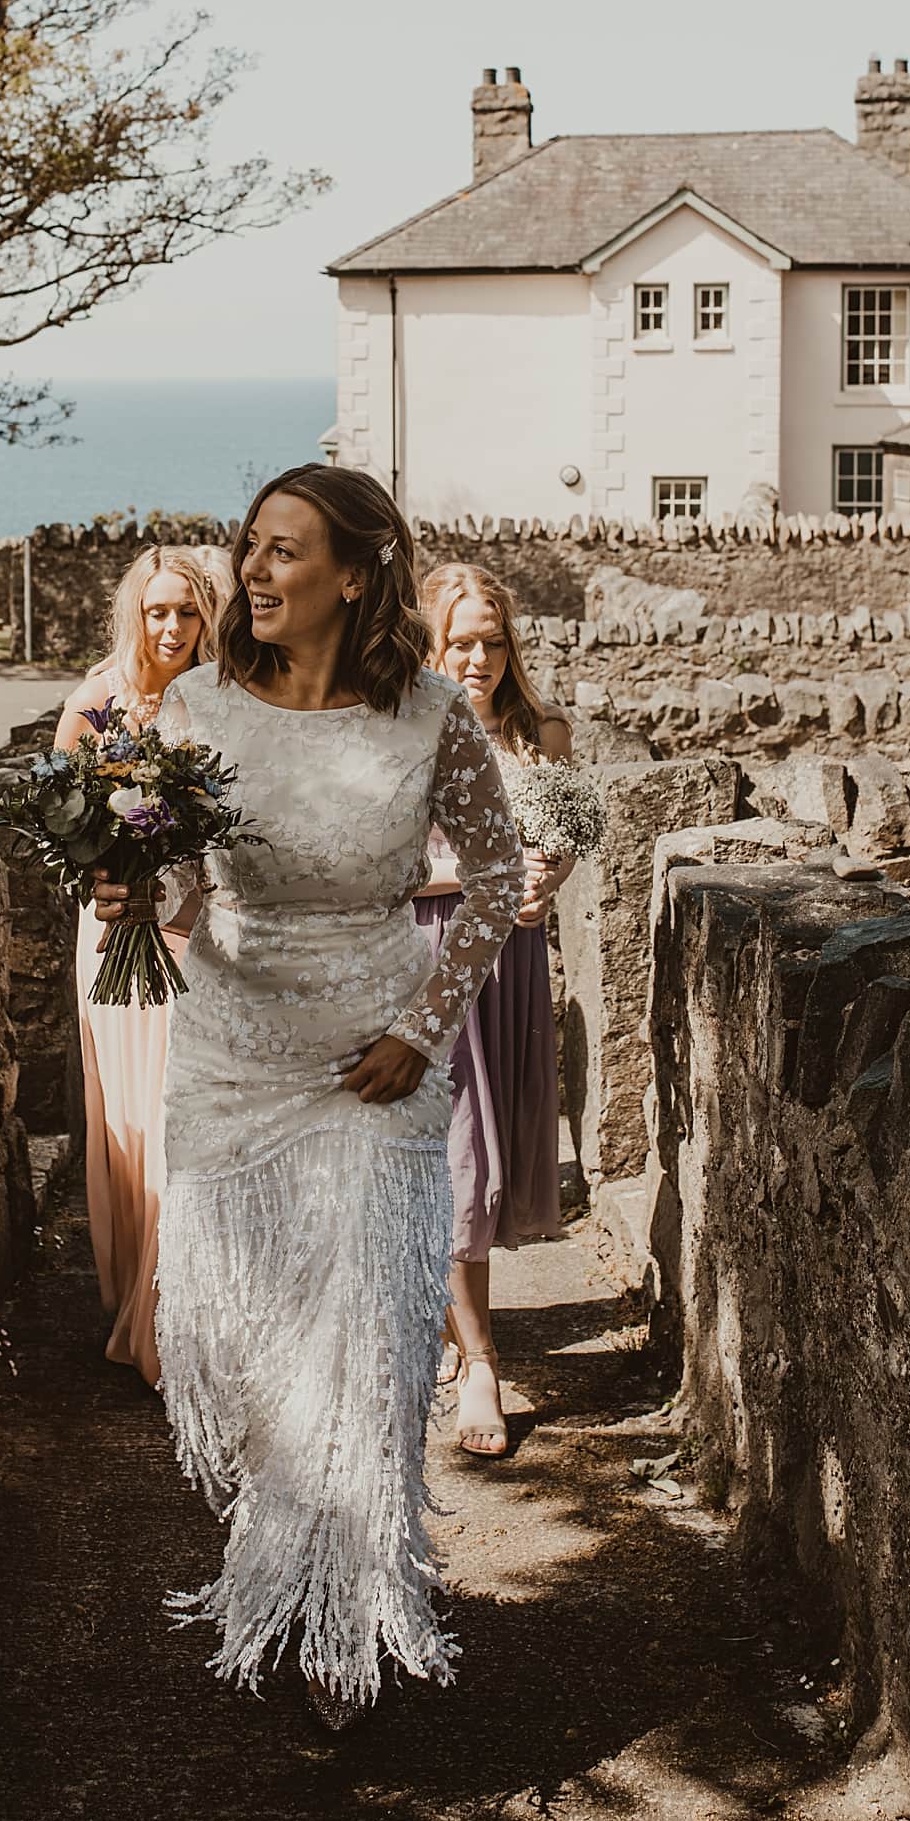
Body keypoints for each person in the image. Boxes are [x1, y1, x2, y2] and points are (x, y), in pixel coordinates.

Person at [94, 465, 524, 1727]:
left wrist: (419, 1025)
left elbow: (495, 878)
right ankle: (288, 1563)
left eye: (287, 553)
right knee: (245, 1353)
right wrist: (135, 894)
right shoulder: (198, 711)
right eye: (253, 549)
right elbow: (179, 891)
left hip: (375, 1062)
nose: (259, 574)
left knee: (372, 1346)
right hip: (233, 1058)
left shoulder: (431, 713)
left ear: (354, 574)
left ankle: (350, 1622)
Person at [416, 562, 574, 1457]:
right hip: (432, 957)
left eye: (492, 640)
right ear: (432, 643)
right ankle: (483, 1363)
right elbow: (383, 869)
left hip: (512, 965)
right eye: (460, 641)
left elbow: (560, 845)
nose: (477, 658)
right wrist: (484, 878)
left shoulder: (541, 732)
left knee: (482, 1150)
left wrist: (546, 882)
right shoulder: (403, 732)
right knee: (459, 1155)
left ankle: (448, 1326)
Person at [56, 545, 223, 1388]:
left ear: (206, 618)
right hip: (116, 933)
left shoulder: (220, 700)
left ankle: (174, 1316)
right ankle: (135, 1307)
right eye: (157, 611)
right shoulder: (94, 703)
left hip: (193, 935)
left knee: (176, 1120)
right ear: (136, 612)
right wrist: (111, 874)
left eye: (186, 613)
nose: (171, 627)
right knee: (124, 1123)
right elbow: (68, 831)